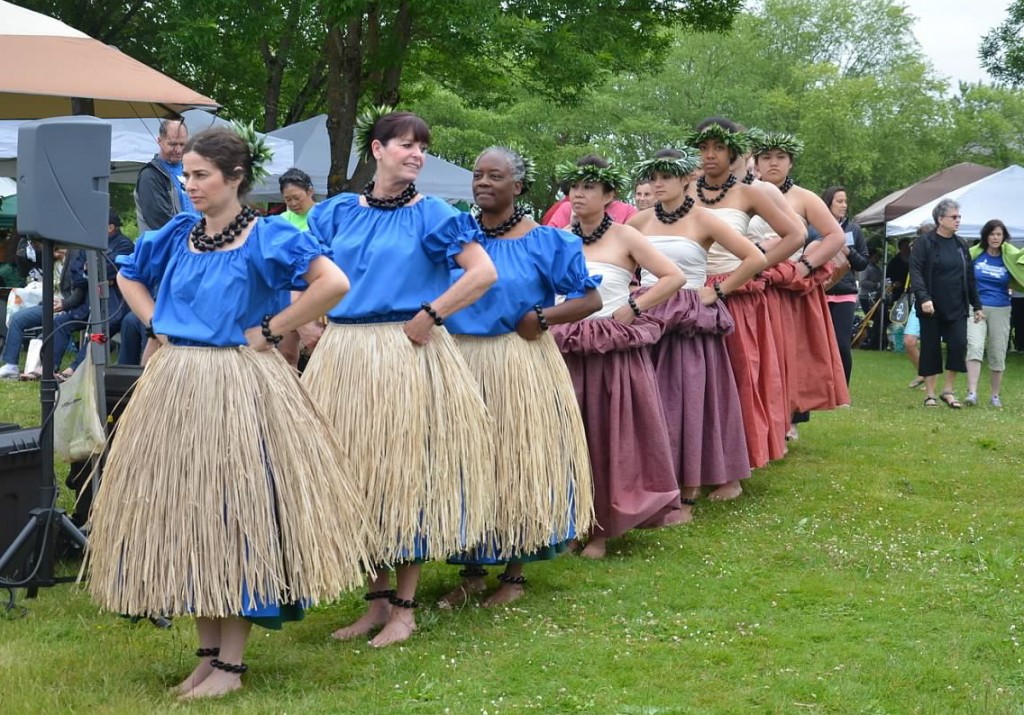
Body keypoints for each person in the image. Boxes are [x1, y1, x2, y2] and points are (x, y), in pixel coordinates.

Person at [86, 126, 371, 700]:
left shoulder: (267, 237)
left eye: (200, 176)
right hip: (177, 386)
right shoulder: (176, 236)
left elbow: (333, 282)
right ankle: (206, 657)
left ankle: (232, 667)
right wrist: (157, 323)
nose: (189, 185)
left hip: (239, 390)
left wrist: (272, 328)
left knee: (234, 515)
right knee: (190, 517)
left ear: (235, 177)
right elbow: (128, 274)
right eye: (186, 175)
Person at [302, 110, 497, 647]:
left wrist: (431, 314)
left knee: (408, 473)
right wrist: (310, 322)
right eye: (406, 145)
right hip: (346, 357)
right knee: (358, 474)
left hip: (407, 354)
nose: (416, 154)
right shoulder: (338, 212)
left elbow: (482, 273)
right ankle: (375, 602)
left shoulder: (434, 214)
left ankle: (405, 610)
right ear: (377, 149)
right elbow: (302, 273)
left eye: (422, 148)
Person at [436, 146, 601, 605]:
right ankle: (469, 569)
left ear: (519, 186)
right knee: (466, 462)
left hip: (517, 361)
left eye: (495, 176)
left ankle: (513, 573)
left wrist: (544, 317)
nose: (483, 182)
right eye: (477, 175)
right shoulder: (458, 237)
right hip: (461, 358)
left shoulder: (547, 241)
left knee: (516, 459)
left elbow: (589, 299)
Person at [549, 154, 685, 557]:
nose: (579, 193)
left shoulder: (627, 236)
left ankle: (603, 528)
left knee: (607, 434)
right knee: (567, 433)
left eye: (590, 186)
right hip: (563, 344)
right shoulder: (556, 236)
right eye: (575, 186)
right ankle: (569, 519)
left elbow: (673, 277)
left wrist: (636, 307)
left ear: (609, 195)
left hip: (610, 345)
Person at [628, 148, 766, 517]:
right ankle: (647, 479)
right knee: (647, 400)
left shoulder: (704, 218)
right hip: (644, 320)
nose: (657, 184)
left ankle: (686, 493)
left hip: (688, 320)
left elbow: (755, 258)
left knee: (686, 401)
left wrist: (717, 290)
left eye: (665, 177)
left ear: (686, 177)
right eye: (652, 177)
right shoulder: (638, 223)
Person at [689, 117, 803, 469]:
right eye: (703, 148)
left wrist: (754, 267)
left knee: (738, 380)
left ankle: (736, 466)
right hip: (690, 296)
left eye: (718, 148)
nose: (709, 155)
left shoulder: (750, 193)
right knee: (695, 382)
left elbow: (796, 236)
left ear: (734, 151)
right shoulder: (686, 193)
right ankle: (696, 459)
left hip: (735, 297)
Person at [909, 198, 983, 408]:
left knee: (958, 345)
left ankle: (948, 390)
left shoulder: (961, 244)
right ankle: (930, 394)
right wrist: (924, 297)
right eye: (954, 217)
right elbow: (915, 272)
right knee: (931, 348)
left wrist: (976, 305)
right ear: (941, 219)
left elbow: (969, 277)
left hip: (957, 304)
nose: (958, 220)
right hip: (931, 306)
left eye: (959, 217)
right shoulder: (925, 243)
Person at [57, 209, 135, 379]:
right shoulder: (89, 245)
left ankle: (74, 369)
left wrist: (91, 271)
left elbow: (109, 270)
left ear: (110, 227)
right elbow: (76, 274)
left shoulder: (125, 245)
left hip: (114, 305)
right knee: (60, 323)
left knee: (101, 327)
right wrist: (92, 275)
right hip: (88, 303)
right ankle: (49, 367)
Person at [0, 244, 88, 380]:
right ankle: (11, 364)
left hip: (68, 306)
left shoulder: (77, 257)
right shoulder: (53, 262)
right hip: (51, 303)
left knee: (50, 328)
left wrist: (64, 304)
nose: (53, 254)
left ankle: (44, 368)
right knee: (17, 319)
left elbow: (80, 290)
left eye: (55, 251)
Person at [816, 185, 868, 385]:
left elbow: (863, 262)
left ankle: (842, 389)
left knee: (841, 344)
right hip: (819, 292)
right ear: (827, 204)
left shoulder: (853, 229)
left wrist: (847, 251)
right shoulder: (813, 227)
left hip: (845, 295)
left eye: (845, 201)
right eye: (839, 201)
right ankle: (820, 388)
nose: (844, 205)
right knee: (818, 344)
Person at [965, 220, 1021, 406]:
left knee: (998, 351)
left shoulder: (1009, 256)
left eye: (999, 234)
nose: (995, 238)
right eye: (992, 234)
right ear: (985, 236)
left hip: (1001, 308)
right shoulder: (974, 255)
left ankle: (995, 395)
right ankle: (972, 392)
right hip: (976, 307)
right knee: (975, 346)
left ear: (1004, 236)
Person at [275, 168, 323, 366]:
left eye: (297, 197)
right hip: (288, 293)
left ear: (310, 191)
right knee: (286, 355)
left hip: (318, 292)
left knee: (319, 354)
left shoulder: (325, 216)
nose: (293, 203)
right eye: (288, 200)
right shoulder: (280, 222)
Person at [134, 118, 193, 233]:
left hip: (194, 245)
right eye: (172, 144)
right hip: (165, 248)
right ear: (160, 141)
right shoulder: (150, 175)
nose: (178, 150)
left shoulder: (191, 171)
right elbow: (160, 222)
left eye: (182, 144)